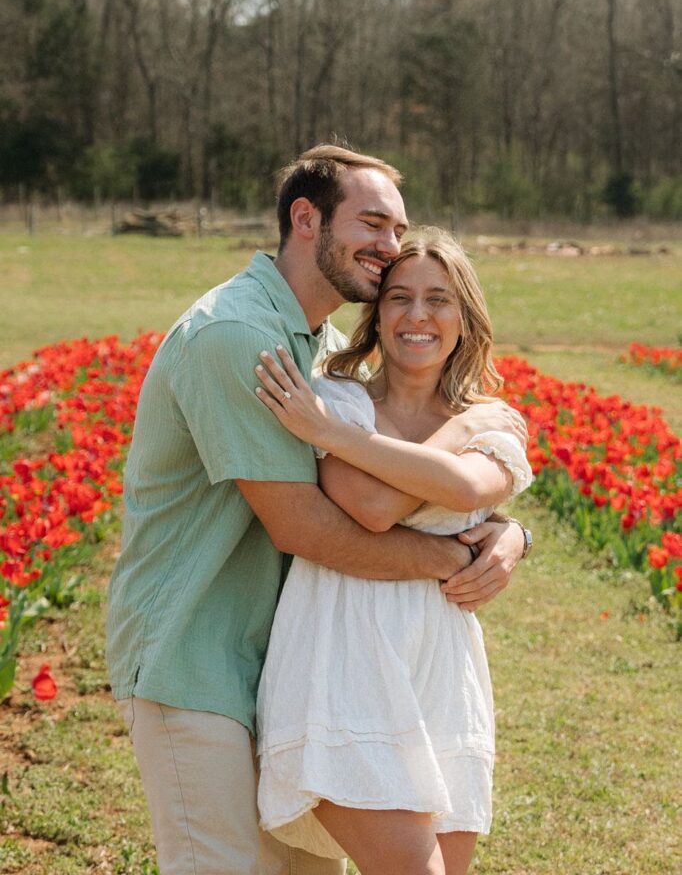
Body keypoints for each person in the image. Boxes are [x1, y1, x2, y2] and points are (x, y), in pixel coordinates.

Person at [106, 145, 529, 875]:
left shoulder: (323, 350)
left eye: (397, 229)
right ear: (306, 219)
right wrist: (456, 556)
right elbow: (309, 525)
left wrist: (510, 531)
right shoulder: (237, 336)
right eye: (371, 223)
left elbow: (421, 471)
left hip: (287, 656)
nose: (389, 248)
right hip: (195, 654)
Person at [254, 228, 533, 875]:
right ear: (375, 315)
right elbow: (372, 508)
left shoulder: (491, 422)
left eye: (438, 299)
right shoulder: (336, 399)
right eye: (399, 297)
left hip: (439, 661)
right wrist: (339, 430)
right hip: (343, 651)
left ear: (464, 318)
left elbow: (470, 486)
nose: (417, 316)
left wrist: (462, 436)